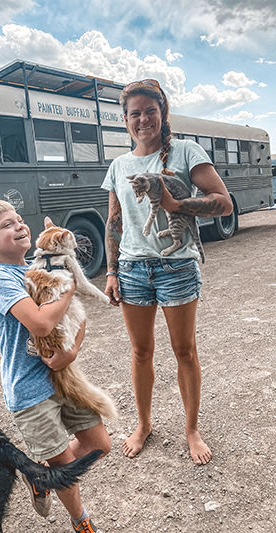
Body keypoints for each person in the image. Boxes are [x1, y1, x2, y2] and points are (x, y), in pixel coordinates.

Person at [101, 79, 233, 465]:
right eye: (135, 113)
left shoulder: (187, 151)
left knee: (184, 350)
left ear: (163, 113)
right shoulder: (119, 165)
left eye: (150, 111)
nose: (143, 119)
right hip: (132, 268)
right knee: (141, 352)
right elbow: (114, 220)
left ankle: (192, 429)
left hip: (177, 266)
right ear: (125, 120)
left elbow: (224, 203)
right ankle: (144, 424)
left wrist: (177, 202)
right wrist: (111, 272)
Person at [0, 200, 110, 533]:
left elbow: (75, 314)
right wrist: (70, 283)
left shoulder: (38, 266)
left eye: (18, 220)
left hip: (61, 377)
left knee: (100, 444)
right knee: (65, 465)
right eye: (6, 225)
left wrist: (71, 352)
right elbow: (42, 324)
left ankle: (43, 477)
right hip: (29, 390)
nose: (19, 226)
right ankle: (81, 521)